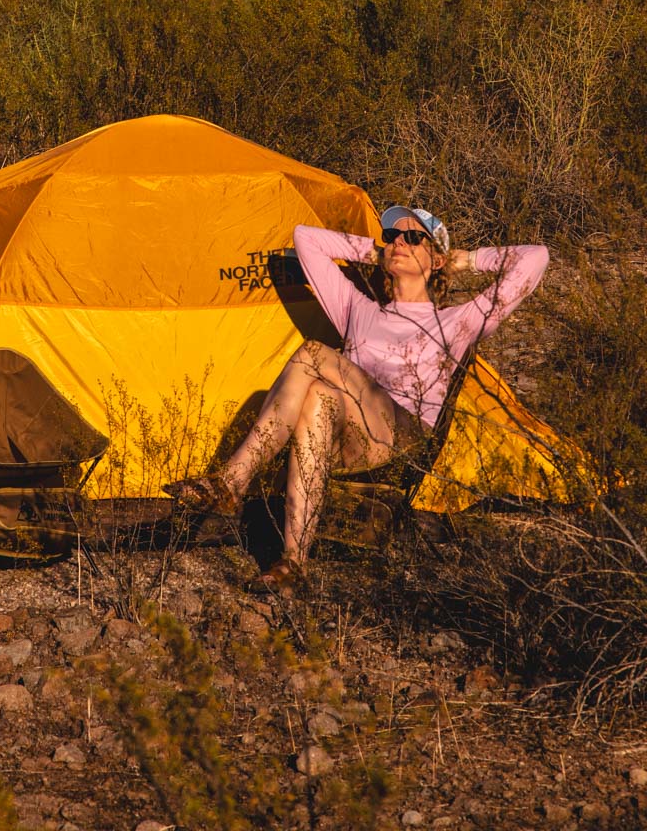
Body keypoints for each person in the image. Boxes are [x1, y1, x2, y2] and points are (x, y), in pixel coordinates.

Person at [166, 206, 549, 590]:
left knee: (314, 354)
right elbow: (305, 238)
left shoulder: (459, 321)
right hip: (353, 440)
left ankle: (233, 481)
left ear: (435, 259)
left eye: (413, 237)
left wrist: (466, 260)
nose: (398, 241)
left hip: (404, 436)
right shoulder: (358, 309)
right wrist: (375, 251)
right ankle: (293, 563)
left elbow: (536, 258)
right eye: (391, 236)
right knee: (318, 395)